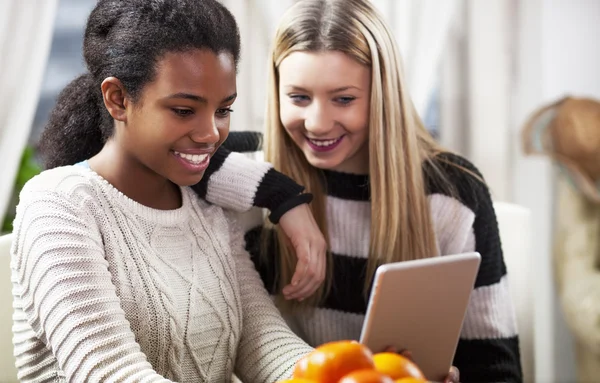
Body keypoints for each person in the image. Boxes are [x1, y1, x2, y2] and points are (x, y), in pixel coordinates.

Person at [192, 0, 523, 381]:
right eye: (299, 97)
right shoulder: (252, 173)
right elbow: (159, 156)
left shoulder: (453, 192)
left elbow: (498, 369)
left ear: (382, 95)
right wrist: (285, 199)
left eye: (344, 99)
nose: (317, 123)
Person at [10, 1, 315, 382]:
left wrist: (345, 373)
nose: (211, 134)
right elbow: (109, 372)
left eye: (223, 110)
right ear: (118, 99)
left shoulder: (206, 208)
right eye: (185, 111)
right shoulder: (58, 205)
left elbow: (265, 344)